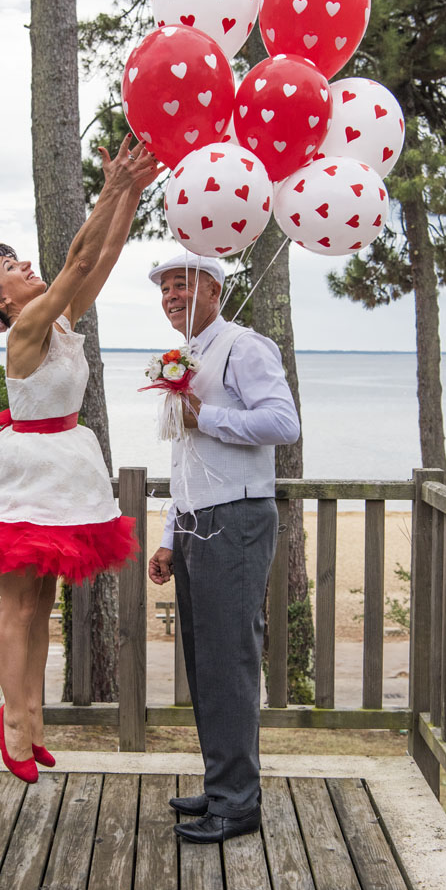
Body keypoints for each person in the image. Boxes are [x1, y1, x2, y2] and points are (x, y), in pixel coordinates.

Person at [0, 135, 161, 783]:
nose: (24, 264)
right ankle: (13, 721)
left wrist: (131, 194)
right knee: (18, 605)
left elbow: (103, 256)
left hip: (62, 465)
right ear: (1, 303)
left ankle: (28, 715)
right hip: (27, 472)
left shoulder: (58, 320)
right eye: (10, 267)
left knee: (42, 603)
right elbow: (78, 257)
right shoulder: (28, 331)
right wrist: (112, 186)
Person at [147, 251, 300, 843]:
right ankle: (222, 786)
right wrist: (168, 535)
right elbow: (186, 455)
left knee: (231, 660)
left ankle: (238, 804)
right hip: (195, 521)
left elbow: (283, 424)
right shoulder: (190, 354)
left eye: (182, 284)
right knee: (205, 661)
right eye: (165, 288)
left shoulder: (244, 346)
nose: (171, 296)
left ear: (214, 288)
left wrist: (205, 416)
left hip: (236, 517)